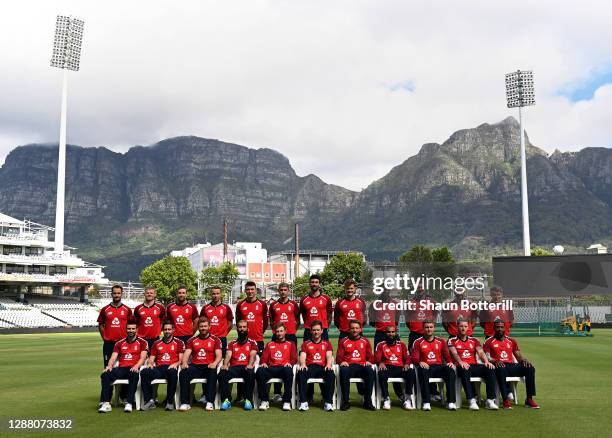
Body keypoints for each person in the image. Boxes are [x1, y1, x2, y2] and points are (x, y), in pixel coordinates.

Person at [484, 320, 540, 409]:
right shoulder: (489, 341)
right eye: (497, 327)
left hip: (511, 366)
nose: (500, 329)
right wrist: (495, 361)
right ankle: (506, 400)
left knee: (530, 368)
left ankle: (529, 399)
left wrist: (524, 360)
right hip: (499, 367)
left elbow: (518, 356)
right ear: (494, 328)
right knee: (501, 368)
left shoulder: (511, 341)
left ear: (505, 328)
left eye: (501, 327)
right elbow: (487, 357)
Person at [98, 319, 148, 413]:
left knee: (134, 374)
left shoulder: (143, 342)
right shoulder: (119, 343)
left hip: (133, 368)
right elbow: (113, 358)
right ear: (125, 329)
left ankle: (129, 403)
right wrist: (109, 366)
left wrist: (136, 366)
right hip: (121, 368)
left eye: (133, 328)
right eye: (129, 329)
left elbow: (143, 358)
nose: (131, 330)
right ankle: (106, 403)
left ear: (137, 329)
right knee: (105, 375)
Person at [448, 319, 498, 410]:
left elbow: (481, 352)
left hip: (474, 366)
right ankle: (471, 400)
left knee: (490, 369)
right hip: (461, 367)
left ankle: (490, 400)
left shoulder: (474, 340)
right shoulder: (452, 340)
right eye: (461, 326)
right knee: (465, 369)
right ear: (457, 327)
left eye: (465, 326)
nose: (463, 328)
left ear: (468, 328)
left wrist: (486, 361)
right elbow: (454, 353)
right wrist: (461, 362)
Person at [411, 320, 457, 411]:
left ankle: (451, 402)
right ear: (423, 328)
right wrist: (420, 362)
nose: (429, 329)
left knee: (450, 371)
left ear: (434, 328)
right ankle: (426, 402)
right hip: (426, 367)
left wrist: (450, 362)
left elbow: (447, 356)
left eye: (431, 327)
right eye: (427, 327)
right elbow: (414, 358)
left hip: (438, 367)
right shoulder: (417, 342)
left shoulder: (441, 341)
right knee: (422, 370)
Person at [178, 318, 222, 411]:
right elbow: (186, 353)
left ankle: (209, 402)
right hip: (195, 366)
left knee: (212, 372)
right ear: (198, 327)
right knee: (183, 372)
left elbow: (219, 355)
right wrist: (184, 363)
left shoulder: (215, 339)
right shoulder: (192, 340)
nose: (203, 328)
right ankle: (185, 403)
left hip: (208, 366)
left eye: (205, 326)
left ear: (209, 327)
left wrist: (214, 363)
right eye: (201, 326)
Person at [140, 320, 184, 411]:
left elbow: (181, 360)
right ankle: (149, 401)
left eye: (169, 329)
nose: (167, 331)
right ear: (162, 330)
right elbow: (152, 358)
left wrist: (175, 364)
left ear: (173, 330)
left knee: (172, 372)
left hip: (171, 367)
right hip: (159, 368)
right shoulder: (156, 343)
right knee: (144, 372)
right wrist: (150, 364)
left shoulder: (179, 342)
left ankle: (169, 402)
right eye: (165, 329)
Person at [268, 282, 300, 401]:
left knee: (291, 362)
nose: (283, 292)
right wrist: (276, 331)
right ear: (278, 291)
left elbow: (297, 319)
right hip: (276, 336)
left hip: (290, 336)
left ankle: (293, 391)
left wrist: (291, 331)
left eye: (285, 290)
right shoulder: (273, 305)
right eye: (281, 290)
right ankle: (277, 392)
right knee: (276, 361)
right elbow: (271, 319)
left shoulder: (293, 304)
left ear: (288, 291)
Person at [218, 320, 259, 411]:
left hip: (246, 367)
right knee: (223, 373)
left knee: (250, 373)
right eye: (240, 327)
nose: (242, 329)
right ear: (237, 329)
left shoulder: (252, 342)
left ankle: (248, 400)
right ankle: (227, 400)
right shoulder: (232, 343)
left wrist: (250, 364)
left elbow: (252, 355)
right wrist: (225, 365)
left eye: (244, 327)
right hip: (234, 367)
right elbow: (228, 355)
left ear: (248, 329)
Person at [256, 323, 297, 411]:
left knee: (289, 371)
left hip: (283, 368)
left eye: (281, 331)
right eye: (277, 331)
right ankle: (264, 400)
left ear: (285, 332)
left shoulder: (291, 344)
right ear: (274, 332)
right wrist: (263, 362)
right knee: (260, 371)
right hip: (272, 368)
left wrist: (291, 363)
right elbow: (264, 358)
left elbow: (294, 358)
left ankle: (286, 401)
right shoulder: (270, 344)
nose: (279, 333)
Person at [336, 319, 376, 411]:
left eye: (357, 328)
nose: (355, 330)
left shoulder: (365, 341)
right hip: (349, 367)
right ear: (349, 329)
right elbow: (338, 358)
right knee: (344, 370)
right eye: (352, 328)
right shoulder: (343, 341)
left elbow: (371, 357)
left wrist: (369, 361)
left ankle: (367, 401)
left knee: (369, 370)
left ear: (360, 329)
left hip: (361, 366)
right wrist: (341, 362)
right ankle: (346, 402)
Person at [296, 320, 336, 412]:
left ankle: (328, 403)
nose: (316, 332)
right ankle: (303, 402)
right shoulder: (306, 343)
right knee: (301, 372)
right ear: (310, 331)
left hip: (322, 368)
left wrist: (329, 364)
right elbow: (302, 355)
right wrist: (303, 364)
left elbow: (329, 355)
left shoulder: (327, 343)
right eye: (314, 330)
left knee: (330, 373)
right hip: (310, 368)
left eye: (318, 330)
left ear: (322, 331)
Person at [375, 325, 416, 410]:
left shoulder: (402, 345)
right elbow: (377, 358)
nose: (391, 334)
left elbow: (408, 358)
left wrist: (407, 364)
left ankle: (407, 398)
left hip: (400, 368)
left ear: (395, 333)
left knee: (411, 371)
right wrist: (380, 363)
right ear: (385, 333)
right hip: (388, 368)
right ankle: (386, 398)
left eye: (393, 332)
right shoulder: (381, 345)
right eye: (388, 332)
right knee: (381, 373)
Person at [97, 284, 132, 367]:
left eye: (118, 293)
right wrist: (105, 338)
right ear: (111, 294)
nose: (117, 295)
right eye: (115, 293)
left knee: (125, 366)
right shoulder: (105, 309)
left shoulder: (127, 310)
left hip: (124, 343)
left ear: (122, 294)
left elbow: (132, 326)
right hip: (109, 344)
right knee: (107, 367)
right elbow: (101, 324)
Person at [235, 281, 268, 354]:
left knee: (259, 362)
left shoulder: (262, 304)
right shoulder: (240, 304)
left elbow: (265, 321)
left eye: (252, 289)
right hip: (244, 339)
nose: (250, 291)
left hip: (258, 339)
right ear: (245, 291)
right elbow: (238, 322)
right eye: (248, 289)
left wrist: (260, 332)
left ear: (256, 291)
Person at [199, 286, 233, 355]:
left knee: (221, 360)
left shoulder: (226, 308)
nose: (215, 295)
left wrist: (224, 333)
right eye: (214, 294)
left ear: (221, 294)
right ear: (211, 295)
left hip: (221, 338)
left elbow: (230, 323)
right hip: (208, 338)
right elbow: (201, 322)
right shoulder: (205, 308)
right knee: (208, 358)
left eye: (217, 293)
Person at [300, 274, 333, 341]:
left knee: (324, 351)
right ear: (309, 284)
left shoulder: (326, 299)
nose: (314, 284)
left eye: (316, 282)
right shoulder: (304, 299)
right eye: (312, 282)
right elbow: (303, 314)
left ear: (319, 284)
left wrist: (325, 326)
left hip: (322, 331)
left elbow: (329, 314)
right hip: (308, 331)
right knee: (307, 351)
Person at [405, 286, 439, 351]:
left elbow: (436, 311)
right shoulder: (410, 302)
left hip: (427, 334)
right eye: (418, 287)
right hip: (414, 334)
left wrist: (433, 320)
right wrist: (412, 327)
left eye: (421, 287)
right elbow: (407, 317)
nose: (420, 289)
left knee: (428, 354)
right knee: (413, 356)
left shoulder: (431, 301)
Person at [134, 286, 166, 350]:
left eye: (151, 293)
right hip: (141, 338)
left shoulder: (160, 308)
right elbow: (135, 323)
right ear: (144, 294)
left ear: (155, 294)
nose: (149, 294)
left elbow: (163, 321)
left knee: (153, 359)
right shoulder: (138, 308)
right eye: (147, 293)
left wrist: (159, 331)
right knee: (142, 358)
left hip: (155, 339)